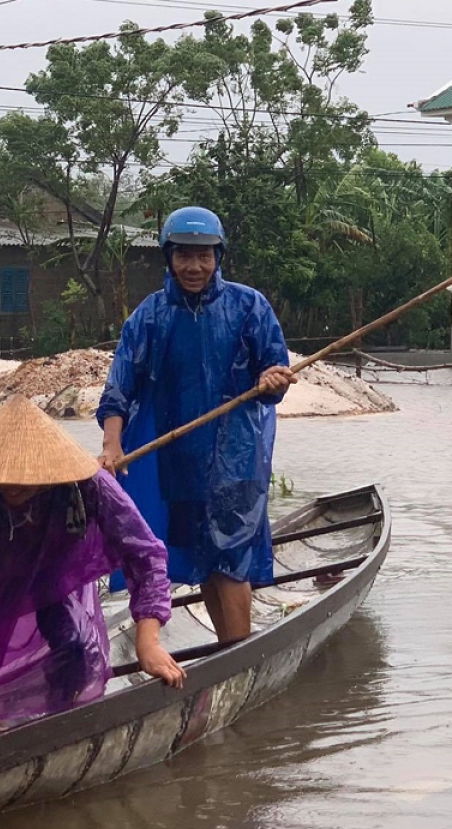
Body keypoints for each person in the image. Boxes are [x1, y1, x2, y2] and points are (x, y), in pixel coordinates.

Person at [0, 395, 186, 734]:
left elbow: (145, 556)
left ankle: (59, 726)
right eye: (3, 477)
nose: (13, 486)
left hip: (54, 582)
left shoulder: (88, 488)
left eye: (25, 476)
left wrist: (147, 642)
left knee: (76, 652)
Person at [96, 206, 297, 644]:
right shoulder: (149, 317)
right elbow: (119, 389)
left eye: (204, 256)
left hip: (237, 459)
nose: (195, 267)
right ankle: (229, 650)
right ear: (168, 257)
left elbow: (275, 370)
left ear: (218, 256)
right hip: (179, 461)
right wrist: (112, 443)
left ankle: (238, 656)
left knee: (232, 557)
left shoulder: (249, 306)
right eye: (184, 256)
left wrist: (272, 379)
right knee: (205, 560)